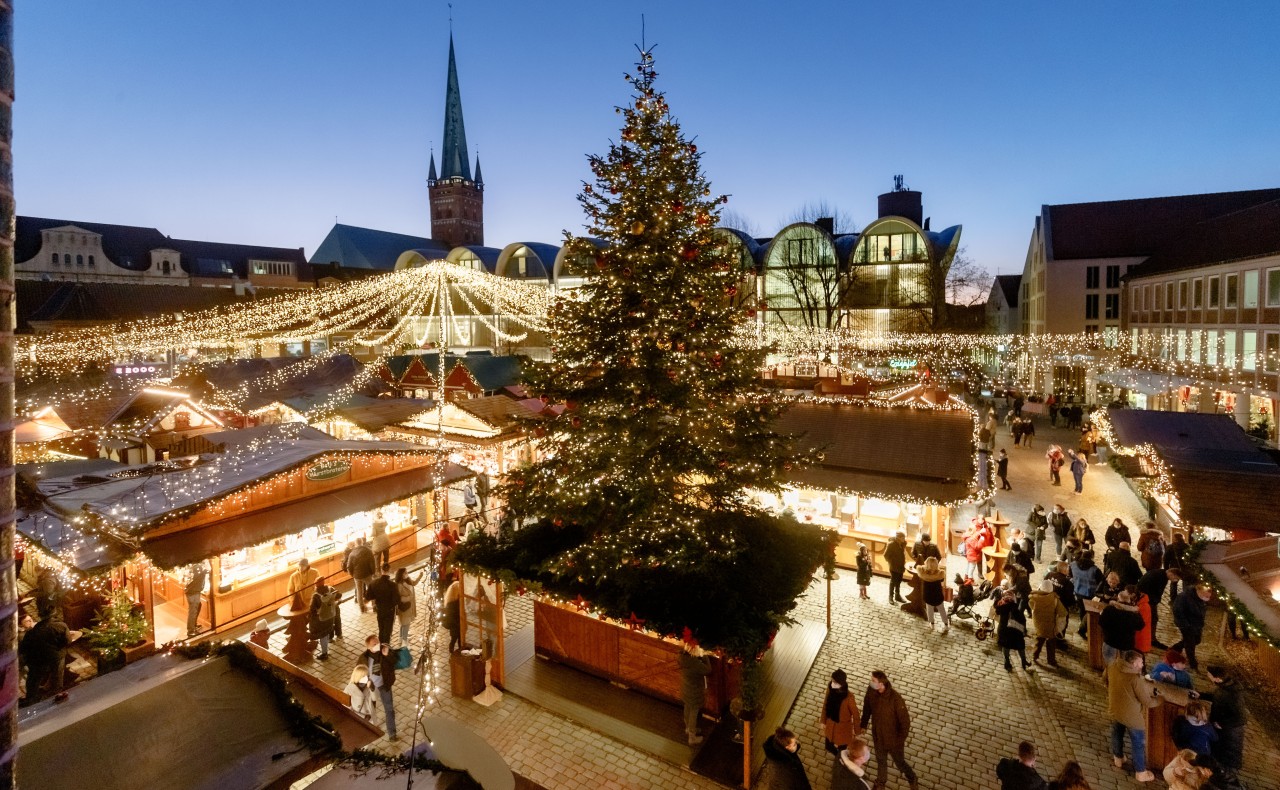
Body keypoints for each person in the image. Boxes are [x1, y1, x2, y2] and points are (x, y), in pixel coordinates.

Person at [1105, 649, 1159, 782]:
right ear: (1134, 663)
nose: (1142, 665)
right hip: (1132, 717)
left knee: (1117, 732)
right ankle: (1141, 771)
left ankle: (1118, 758)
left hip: (1116, 709)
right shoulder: (1135, 679)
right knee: (1138, 743)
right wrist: (1160, 699)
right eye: (1140, 662)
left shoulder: (1112, 666)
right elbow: (1147, 702)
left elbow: (1105, 680)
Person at [859, 670, 917, 790]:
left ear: (881, 684)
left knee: (900, 763)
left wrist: (899, 741)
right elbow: (867, 708)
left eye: (873, 681)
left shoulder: (896, 700)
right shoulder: (871, 691)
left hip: (893, 741)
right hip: (878, 736)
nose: (871, 683)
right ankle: (881, 783)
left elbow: (905, 724)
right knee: (881, 761)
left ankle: (912, 777)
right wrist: (863, 724)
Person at [19, 613, 80, 705]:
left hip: (42, 659)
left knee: (36, 678)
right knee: (54, 674)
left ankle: (33, 698)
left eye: (31, 619)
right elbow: (67, 641)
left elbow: (24, 649)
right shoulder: (24, 634)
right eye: (27, 621)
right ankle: (55, 693)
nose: (30, 621)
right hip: (48, 658)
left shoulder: (34, 631)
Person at [1202, 665, 1245, 777]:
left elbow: (1241, 718)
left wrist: (1222, 724)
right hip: (1222, 730)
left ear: (1217, 678)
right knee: (1217, 755)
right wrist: (1201, 695)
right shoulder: (1224, 686)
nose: (1208, 676)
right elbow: (1218, 697)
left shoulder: (1234, 694)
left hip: (1229, 735)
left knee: (1225, 761)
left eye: (1209, 675)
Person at [359, 635, 398, 740]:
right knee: (370, 708)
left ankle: (392, 733)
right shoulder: (363, 658)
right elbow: (359, 672)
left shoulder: (385, 649)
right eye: (374, 644)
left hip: (384, 685)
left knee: (389, 709)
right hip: (371, 687)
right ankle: (371, 728)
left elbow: (395, 661)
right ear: (368, 647)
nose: (378, 645)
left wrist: (387, 655)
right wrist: (365, 682)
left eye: (378, 642)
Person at [820, 669, 860, 755]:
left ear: (841, 684)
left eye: (835, 682)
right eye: (832, 681)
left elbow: (856, 714)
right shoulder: (830, 689)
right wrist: (823, 720)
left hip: (843, 729)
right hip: (830, 725)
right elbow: (825, 704)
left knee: (842, 750)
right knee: (828, 746)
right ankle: (839, 757)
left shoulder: (849, 697)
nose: (832, 683)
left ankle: (840, 760)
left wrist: (857, 731)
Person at [1172, 584, 1212, 669]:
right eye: (1206, 596)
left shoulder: (1200, 599)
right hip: (1186, 624)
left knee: (1197, 640)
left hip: (1196, 624)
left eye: (1209, 597)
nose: (1207, 599)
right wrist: (1185, 624)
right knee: (1190, 643)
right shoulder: (1184, 597)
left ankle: (1175, 648)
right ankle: (1192, 662)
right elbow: (1177, 610)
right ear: (1199, 592)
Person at [1099, 591, 1144, 666]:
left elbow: (1101, 622)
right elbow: (1141, 626)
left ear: (1118, 598)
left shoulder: (1109, 610)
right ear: (1129, 600)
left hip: (1110, 641)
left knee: (1109, 664)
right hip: (1126, 644)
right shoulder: (1133, 614)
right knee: (1123, 665)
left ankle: (1109, 676)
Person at [679, 641, 711, 745]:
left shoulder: (682, 657)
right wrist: (705, 657)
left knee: (687, 706)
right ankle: (692, 737)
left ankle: (688, 728)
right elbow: (708, 670)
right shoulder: (694, 663)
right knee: (694, 711)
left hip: (685, 688)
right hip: (695, 690)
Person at [1030, 580, 1067, 666]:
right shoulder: (1054, 599)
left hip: (1039, 625)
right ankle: (1051, 660)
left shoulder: (1034, 597)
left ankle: (1034, 655)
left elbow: (1031, 606)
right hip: (1051, 626)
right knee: (1051, 643)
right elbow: (1062, 612)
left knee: (1039, 641)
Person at [995, 589, 1032, 671]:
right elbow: (1022, 620)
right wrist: (1024, 631)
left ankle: (1007, 663)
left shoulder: (1001, 606)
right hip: (1014, 630)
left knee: (1005, 646)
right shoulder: (1014, 607)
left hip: (1003, 630)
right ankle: (1023, 661)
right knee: (1020, 645)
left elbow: (997, 611)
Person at [1137, 564, 1171, 650]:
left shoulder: (1160, 574)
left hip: (1148, 598)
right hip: (1148, 599)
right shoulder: (1162, 577)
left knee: (1153, 618)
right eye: (1176, 578)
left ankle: (1150, 638)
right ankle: (1151, 639)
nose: (1175, 581)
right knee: (1152, 618)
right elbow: (1157, 591)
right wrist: (1155, 601)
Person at [1070, 550, 1103, 638]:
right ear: (1091, 557)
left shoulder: (1073, 565)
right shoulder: (1095, 569)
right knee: (1089, 612)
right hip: (1090, 594)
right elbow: (1101, 581)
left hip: (1078, 591)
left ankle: (1082, 626)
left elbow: (1070, 575)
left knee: (1082, 610)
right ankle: (1086, 628)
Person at [366, 563, 400, 645]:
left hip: (380, 609)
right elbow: (396, 600)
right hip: (390, 610)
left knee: (381, 628)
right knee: (388, 630)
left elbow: (368, 596)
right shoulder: (393, 585)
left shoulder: (374, 583)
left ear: (381, 570)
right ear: (389, 570)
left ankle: (380, 644)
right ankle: (385, 647)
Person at [309, 580, 340, 660]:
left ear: (316, 586)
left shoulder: (316, 596)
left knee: (323, 635)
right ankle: (325, 651)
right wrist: (334, 602)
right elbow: (339, 595)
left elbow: (312, 609)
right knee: (326, 633)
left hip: (322, 618)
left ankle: (324, 653)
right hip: (331, 615)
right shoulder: (330, 589)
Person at [917, 557, 949, 633]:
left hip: (928, 596)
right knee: (942, 610)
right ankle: (946, 624)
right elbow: (942, 580)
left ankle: (932, 623)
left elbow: (920, 567)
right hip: (937, 595)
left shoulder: (923, 573)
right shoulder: (940, 574)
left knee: (929, 610)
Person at [394, 566, 422, 646]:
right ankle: (404, 641)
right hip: (404, 607)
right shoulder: (399, 585)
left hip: (409, 606)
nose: (407, 574)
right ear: (401, 575)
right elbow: (399, 598)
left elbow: (414, 583)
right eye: (405, 573)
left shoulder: (407, 580)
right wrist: (409, 598)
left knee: (404, 623)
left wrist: (420, 576)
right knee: (406, 624)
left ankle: (401, 638)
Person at [346, 538, 377, 611]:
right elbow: (372, 563)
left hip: (357, 576)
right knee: (371, 589)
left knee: (359, 591)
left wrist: (352, 574)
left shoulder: (352, 553)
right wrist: (373, 572)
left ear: (356, 544)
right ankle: (374, 605)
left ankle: (362, 607)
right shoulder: (368, 551)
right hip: (367, 574)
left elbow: (349, 566)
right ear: (362, 542)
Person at [184, 561, 208, 638]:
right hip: (193, 592)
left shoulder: (194, 567)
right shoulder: (198, 568)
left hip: (193, 591)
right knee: (193, 610)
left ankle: (193, 626)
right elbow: (208, 570)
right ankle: (191, 631)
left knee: (198, 606)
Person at [884, 531, 908, 604]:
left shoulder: (902, 544)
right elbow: (886, 555)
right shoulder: (891, 544)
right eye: (903, 537)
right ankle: (891, 596)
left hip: (901, 565)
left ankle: (897, 596)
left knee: (899, 581)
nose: (904, 539)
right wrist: (892, 562)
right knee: (893, 581)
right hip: (894, 566)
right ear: (899, 538)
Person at [1164, 532, 1189, 600]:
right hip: (1184, 567)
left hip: (1174, 567)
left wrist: (1166, 568)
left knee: (1174, 582)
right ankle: (1185, 597)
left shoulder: (1170, 547)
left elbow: (1166, 559)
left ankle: (1173, 597)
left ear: (1174, 539)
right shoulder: (1187, 546)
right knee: (1185, 582)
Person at [442, 578, 463, 652]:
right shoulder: (452, 604)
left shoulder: (453, 601)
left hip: (458, 625)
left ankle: (459, 651)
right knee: (455, 639)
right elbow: (452, 617)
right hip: (456, 626)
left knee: (459, 640)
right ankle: (454, 652)